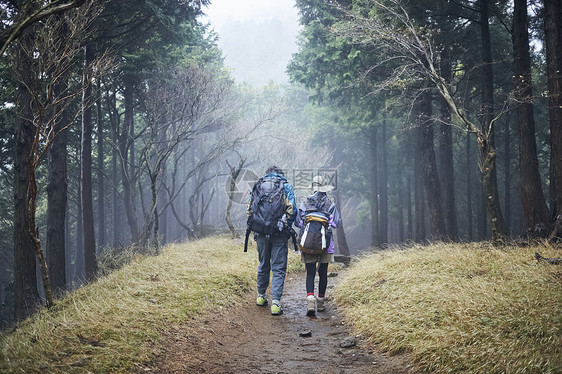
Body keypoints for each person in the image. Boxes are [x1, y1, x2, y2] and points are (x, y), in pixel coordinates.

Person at [247, 166, 296, 315]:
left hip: (261, 233)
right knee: (278, 267)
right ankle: (275, 304)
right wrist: (285, 226)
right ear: (281, 175)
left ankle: (261, 296)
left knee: (263, 263)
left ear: (267, 174)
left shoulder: (258, 186)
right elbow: (292, 210)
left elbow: (249, 210)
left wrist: (257, 227)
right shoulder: (285, 187)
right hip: (279, 234)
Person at [295, 175, 341, 316]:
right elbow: (337, 223)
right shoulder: (330, 204)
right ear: (325, 189)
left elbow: (298, 222)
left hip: (307, 244)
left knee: (310, 273)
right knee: (322, 273)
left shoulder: (305, 203)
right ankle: (320, 303)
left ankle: (310, 301)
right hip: (326, 244)